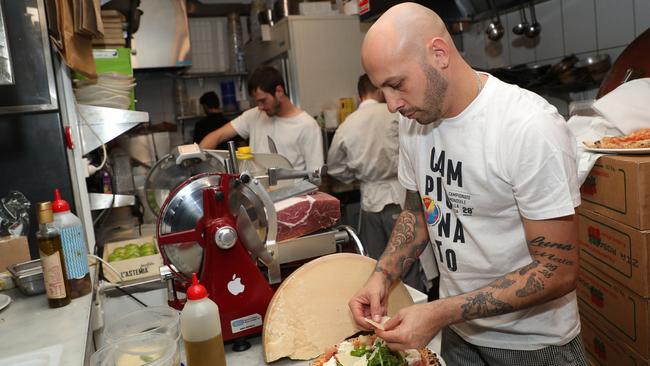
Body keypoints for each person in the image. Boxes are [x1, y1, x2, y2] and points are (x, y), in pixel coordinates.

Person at [348, 3, 587, 366]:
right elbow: (418, 211)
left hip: (534, 346)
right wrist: (382, 276)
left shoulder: (528, 127)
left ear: (439, 54)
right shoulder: (415, 121)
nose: (392, 105)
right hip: (461, 335)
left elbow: (558, 270)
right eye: (383, 90)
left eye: (397, 85)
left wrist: (441, 312)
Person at [327, 74, 434, 292]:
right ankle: (415, 307)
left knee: (377, 266)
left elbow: (335, 167)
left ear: (359, 95)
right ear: (378, 91)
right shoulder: (396, 116)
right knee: (408, 264)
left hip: (369, 200)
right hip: (399, 195)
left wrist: (355, 176)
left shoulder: (347, 125)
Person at [199, 66, 324, 171]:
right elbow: (217, 136)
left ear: (279, 91)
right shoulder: (253, 116)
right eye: (257, 102)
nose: (259, 107)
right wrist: (196, 158)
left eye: (263, 100)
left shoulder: (307, 125)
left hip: (291, 196)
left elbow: (315, 176)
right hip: (257, 195)